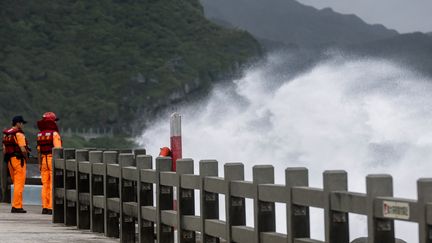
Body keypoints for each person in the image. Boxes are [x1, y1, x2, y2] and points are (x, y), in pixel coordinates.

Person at [2, 116, 29, 213]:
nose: (22, 125)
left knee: (15, 183)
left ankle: (16, 205)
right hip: (18, 160)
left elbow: (4, 150)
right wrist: (26, 158)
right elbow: (22, 148)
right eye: (22, 123)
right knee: (19, 184)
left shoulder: (6, 134)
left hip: (9, 160)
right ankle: (17, 206)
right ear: (17, 123)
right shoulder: (19, 134)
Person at [37, 112, 62, 215]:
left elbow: (38, 151)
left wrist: (39, 164)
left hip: (43, 160)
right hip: (52, 160)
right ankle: (51, 207)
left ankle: (45, 207)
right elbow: (58, 150)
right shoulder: (54, 134)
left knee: (45, 184)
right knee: (52, 184)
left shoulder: (40, 135)